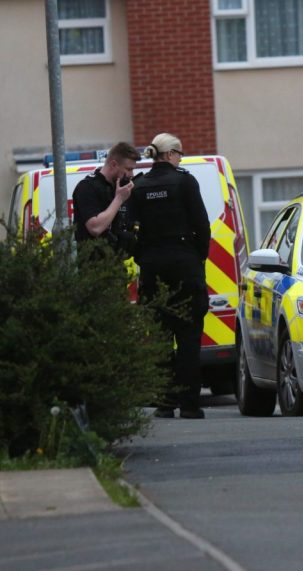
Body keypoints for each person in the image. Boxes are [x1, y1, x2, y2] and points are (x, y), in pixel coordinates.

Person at [129, 133, 211, 419]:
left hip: (152, 269)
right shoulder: (185, 182)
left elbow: (130, 229)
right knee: (188, 337)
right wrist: (197, 257)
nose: (180, 159)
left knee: (160, 337)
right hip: (184, 266)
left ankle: (165, 403)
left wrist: (143, 256)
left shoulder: (139, 185)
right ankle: (189, 405)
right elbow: (202, 225)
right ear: (170, 154)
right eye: (180, 154)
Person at [71, 142, 140, 255]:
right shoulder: (87, 187)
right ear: (113, 164)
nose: (132, 174)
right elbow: (95, 228)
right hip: (93, 263)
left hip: (116, 261)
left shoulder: (119, 187)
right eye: (128, 169)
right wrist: (118, 199)